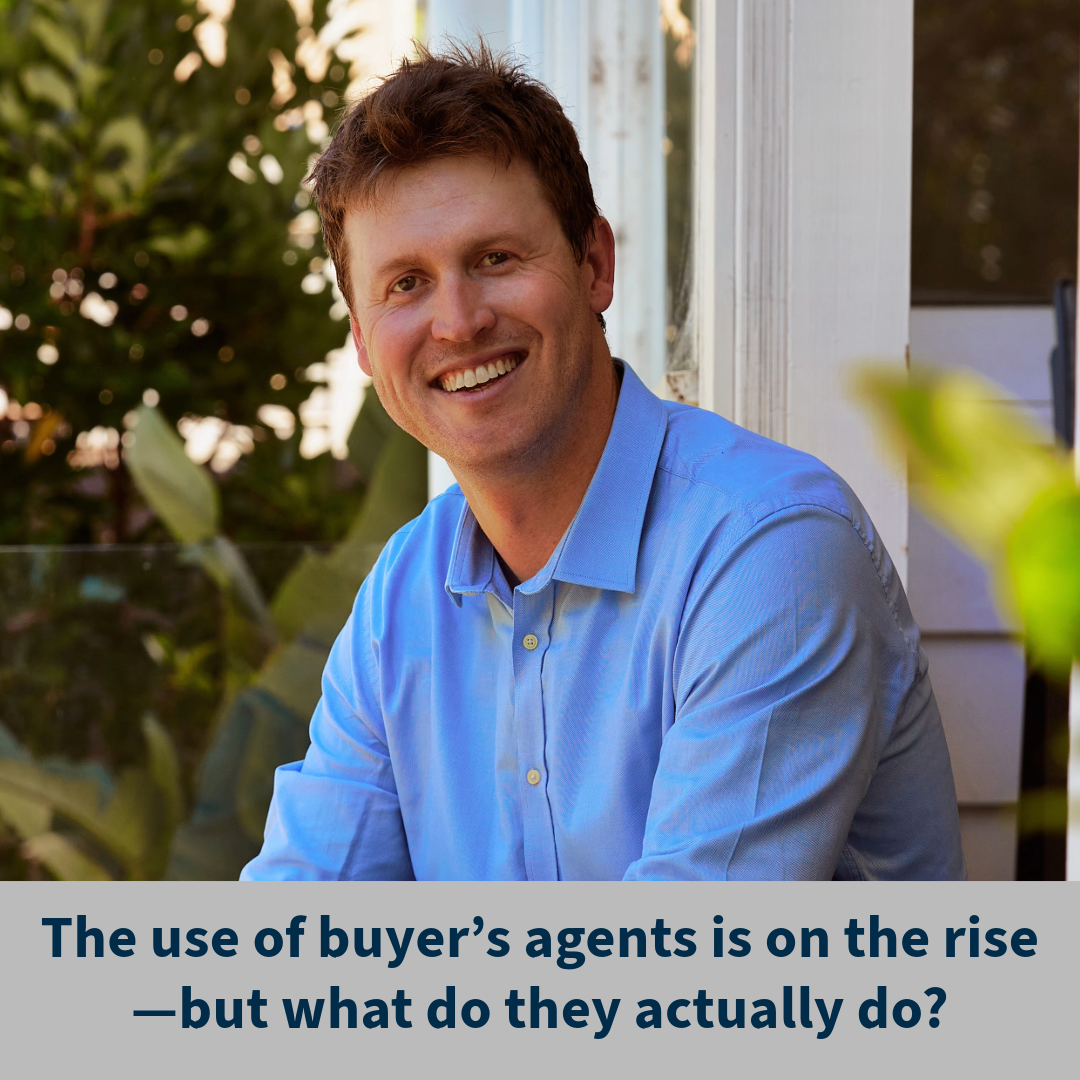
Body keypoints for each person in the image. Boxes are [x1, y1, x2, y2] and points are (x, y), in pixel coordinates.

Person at [241, 43, 965, 882]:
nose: (458, 320)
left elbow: (679, 988)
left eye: (496, 259)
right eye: (406, 283)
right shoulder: (399, 603)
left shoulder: (773, 554)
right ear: (364, 344)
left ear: (594, 265)